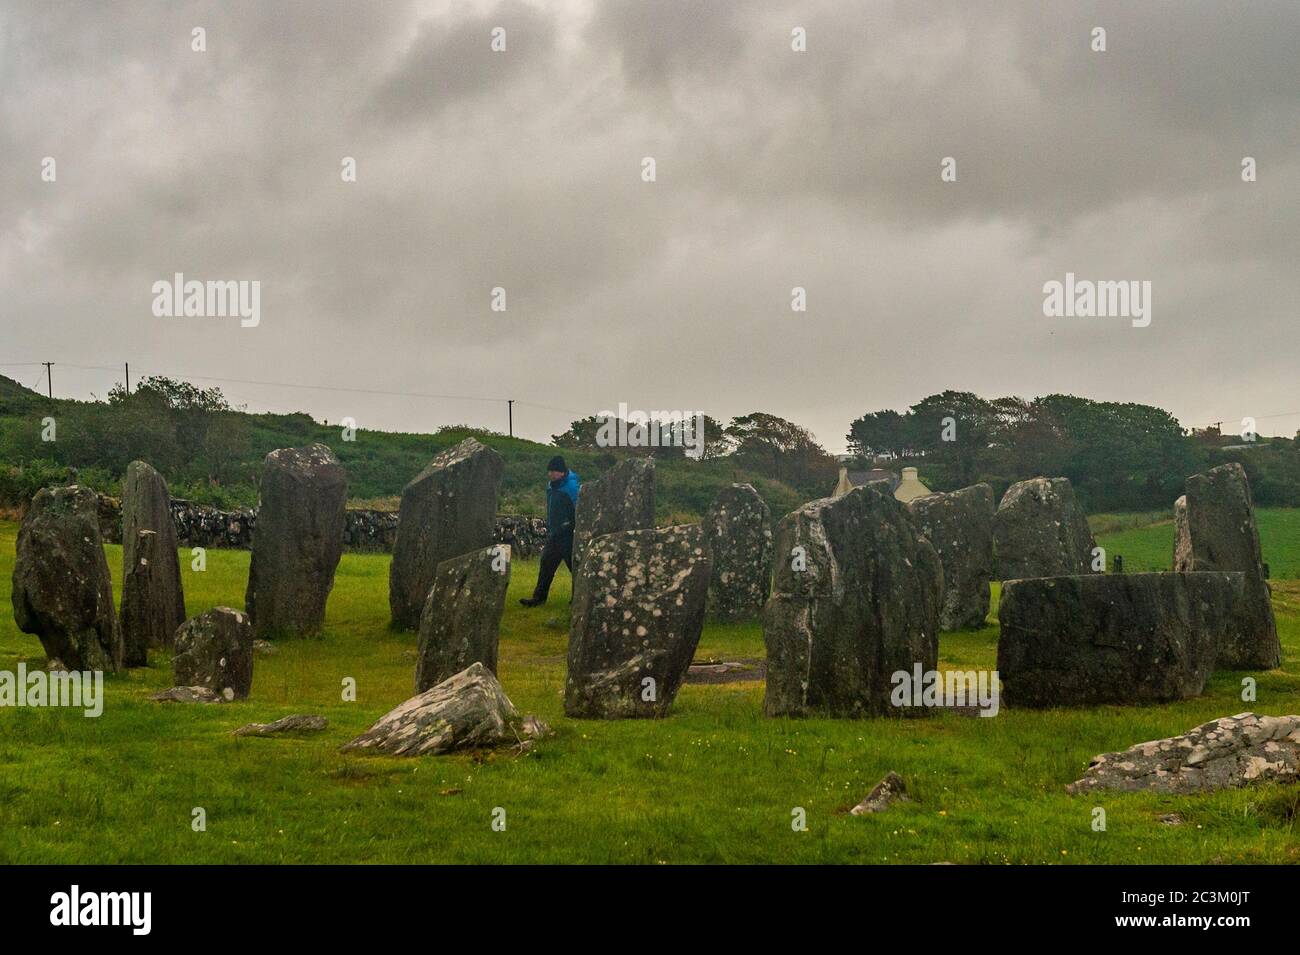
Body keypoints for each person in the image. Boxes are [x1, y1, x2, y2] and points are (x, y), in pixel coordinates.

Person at [520, 455, 579, 607]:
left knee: (575, 569)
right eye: (549, 471)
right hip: (554, 534)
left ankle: (578, 599)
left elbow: (577, 510)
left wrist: (569, 526)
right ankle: (538, 599)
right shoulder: (551, 486)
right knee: (546, 564)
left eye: (553, 471)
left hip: (568, 535)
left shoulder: (571, 488)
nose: (550, 474)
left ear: (562, 472)